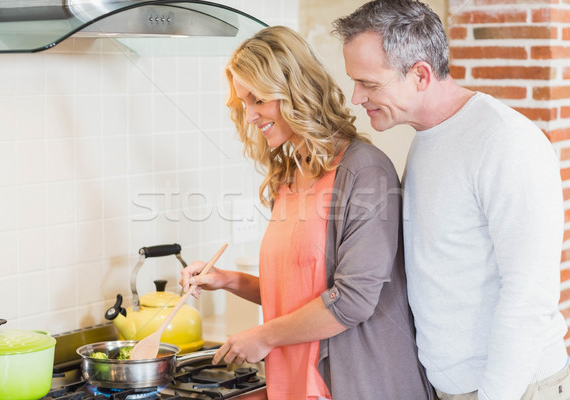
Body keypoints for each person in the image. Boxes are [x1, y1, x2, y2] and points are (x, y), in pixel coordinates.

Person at [180, 25, 434, 400]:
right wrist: (228, 280)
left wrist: (263, 336)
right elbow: (300, 295)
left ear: (294, 91)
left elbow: (350, 302)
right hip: (297, 383)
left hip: (363, 384)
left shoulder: (364, 172)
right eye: (243, 103)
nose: (249, 116)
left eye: (258, 100)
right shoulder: (289, 174)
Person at [333, 1, 570, 400]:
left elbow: (529, 296)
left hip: (518, 390)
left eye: (369, 84)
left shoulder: (505, 141)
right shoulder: (427, 140)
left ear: (421, 74)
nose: (357, 97)